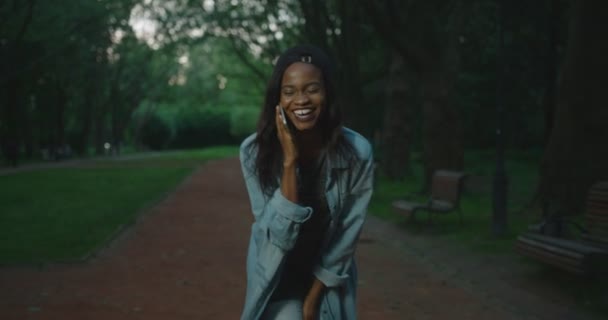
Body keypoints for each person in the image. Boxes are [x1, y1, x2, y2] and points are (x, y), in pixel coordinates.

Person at [239, 44, 374, 319]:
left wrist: (313, 299)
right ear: (278, 99)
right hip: (274, 272)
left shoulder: (358, 152)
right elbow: (278, 237)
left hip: (327, 275)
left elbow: (348, 232)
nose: (301, 100)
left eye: (312, 89)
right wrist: (289, 162)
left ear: (327, 93)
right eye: (289, 91)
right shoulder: (254, 152)